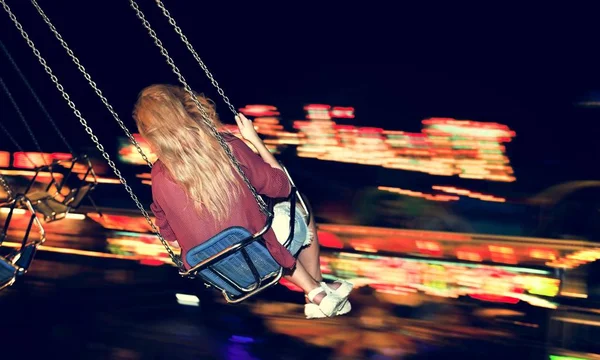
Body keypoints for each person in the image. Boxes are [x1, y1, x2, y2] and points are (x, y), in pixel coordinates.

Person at [133, 84, 353, 318]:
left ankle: (316, 292)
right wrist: (255, 141)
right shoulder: (226, 146)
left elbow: (170, 237)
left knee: (249, 229)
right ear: (187, 109)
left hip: (221, 273)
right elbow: (282, 187)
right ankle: (316, 289)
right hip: (260, 249)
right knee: (299, 204)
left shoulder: (157, 175)